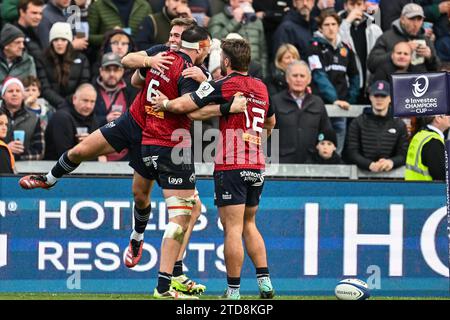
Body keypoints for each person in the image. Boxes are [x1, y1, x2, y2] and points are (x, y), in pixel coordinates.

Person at [18, 22, 230, 297]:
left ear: (187, 39)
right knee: (81, 152)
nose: (172, 39)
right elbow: (130, 69)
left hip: (156, 136)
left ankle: (142, 243)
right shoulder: (161, 53)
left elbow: (176, 99)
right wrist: (149, 61)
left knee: (144, 196)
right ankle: (48, 179)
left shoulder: (193, 70)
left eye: (177, 36)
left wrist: (201, 85)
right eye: (171, 34)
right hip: (135, 123)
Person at [151, 38, 276, 300]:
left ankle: (233, 291)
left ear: (226, 61)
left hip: (231, 165)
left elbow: (189, 109)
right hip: (256, 164)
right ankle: (265, 283)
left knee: (232, 228)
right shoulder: (262, 88)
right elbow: (271, 123)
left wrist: (164, 104)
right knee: (249, 224)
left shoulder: (224, 85)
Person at [308, 10, 359, 155]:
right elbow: (318, 75)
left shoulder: (346, 48)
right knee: (320, 148)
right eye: (326, 25)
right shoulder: (314, 46)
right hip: (321, 105)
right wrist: (334, 99)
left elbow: (355, 75)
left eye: (334, 24)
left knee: (337, 150)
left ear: (338, 26)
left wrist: (350, 99)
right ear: (320, 28)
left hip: (342, 107)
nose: (330, 28)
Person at [272, 60, 333, 164]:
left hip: (312, 165)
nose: (298, 79)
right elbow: (267, 134)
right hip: (282, 166)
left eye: (302, 76)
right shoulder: (275, 101)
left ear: (309, 80)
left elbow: (326, 133)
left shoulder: (317, 102)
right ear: (287, 78)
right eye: (295, 76)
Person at [344, 80, 409, 172]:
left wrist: (391, 162)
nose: (379, 99)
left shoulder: (399, 124)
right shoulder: (358, 122)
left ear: (390, 98)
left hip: (392, 177)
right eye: (376, 95)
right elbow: (351, 152)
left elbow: (404, 153)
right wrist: (369, 164)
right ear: (370, 97)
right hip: (362, 177)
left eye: (383, 96)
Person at [367, 3, 440, 74]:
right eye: (412, 19)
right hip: (393, 83)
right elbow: (372, 64)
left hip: (419, 84)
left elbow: (437, 68)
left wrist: (430, 56)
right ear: (402, 19)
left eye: (419, 19)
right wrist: (395, 53)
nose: (415, 24)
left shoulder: (425, 39)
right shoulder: (387, 37)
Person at [36, 22, 91, 109]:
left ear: (69, 41)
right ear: (51, 42)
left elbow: (83, 84)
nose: (59, 43)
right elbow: (45, 88)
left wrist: (69, 102)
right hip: (50, 105)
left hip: (75, 105)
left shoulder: (81, 59)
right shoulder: (42, 60)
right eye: (56, 40)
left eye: (63, 40)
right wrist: (62, 104)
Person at [208, 0, 268, 77]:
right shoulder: (218, 18)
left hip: (254, 71)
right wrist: (235, 21)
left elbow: (263, 52)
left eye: (249, 2)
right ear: (232, 1)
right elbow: (214, 42)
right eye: (242, 2)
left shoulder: (256, 21)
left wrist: (264, 74)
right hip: (230, 70)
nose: (246, 3)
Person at [338, 0, 382, 103]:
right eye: (352, 4)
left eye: (358, 4)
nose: (355, 8)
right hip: (347, 84)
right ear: (345, 6)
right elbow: (337, 40)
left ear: (363, 6)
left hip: (368, 85)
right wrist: (347, 21)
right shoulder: (337, 25)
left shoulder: (373, 28)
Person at [93, 53, 134, 161]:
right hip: (98, 152)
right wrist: (105, 119)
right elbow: (85, 119)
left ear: (122, 71)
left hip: (126, 154)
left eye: (115, 70)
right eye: (107, 70)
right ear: (101, 71)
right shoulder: (91, 90)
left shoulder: (130, 90)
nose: (112, 74)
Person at [44, 84, 99, 160]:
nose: (88, 106)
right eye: (85, 100)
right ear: (74, 99)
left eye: (92, 102)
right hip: (57, 168)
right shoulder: (62, 118)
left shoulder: (93, 118)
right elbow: (64, 155)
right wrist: (88, 146)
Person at [0, 77, 44, 160]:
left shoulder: (34, 118)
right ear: (3, 95)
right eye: (10, 91)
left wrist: (18, 156)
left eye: (18, 91)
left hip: (25, 169)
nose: (14, 94)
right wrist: (6, 149)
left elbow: (39, 152)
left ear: (23, 95)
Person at [87, 0, 152, 48]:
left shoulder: (144, 6)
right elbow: (88, 38)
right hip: (108, 59)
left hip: (137, 57)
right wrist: (108, 36)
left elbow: (151, 39)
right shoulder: (98, 6)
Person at [405, 115, 450, 181]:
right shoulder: (433, 141)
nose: (449, 116)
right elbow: (442, 175)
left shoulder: (420, 135)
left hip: (414, 187)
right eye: (447, 115)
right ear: (438, 118)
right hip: (428, 189)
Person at [0, 109, 15, 174]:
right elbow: (6, 178)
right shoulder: (1, 149)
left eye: (6, 124)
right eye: (0, 124)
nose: (4, 128)